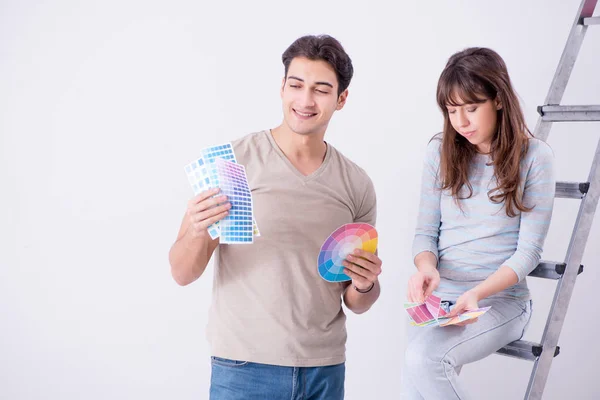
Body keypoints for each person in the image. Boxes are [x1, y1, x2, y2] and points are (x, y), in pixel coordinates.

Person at [169, 34, 383, 400]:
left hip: (324, 370)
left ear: (341, 99)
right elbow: (182, 273)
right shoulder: (232, 162)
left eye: (320, 89)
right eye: (296, 85)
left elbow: (356, 301)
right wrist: (196, 229)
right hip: (242, 368)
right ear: (282, 87)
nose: (305, 100)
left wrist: (366, 284)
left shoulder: (356, 183)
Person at [401, 47, 556, 399]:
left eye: (471, 108)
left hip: (500, 301)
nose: (461, 122)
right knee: (413, 386)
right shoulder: (439, 151)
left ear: (498, 100)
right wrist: (427, 268)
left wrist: (476, 293)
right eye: (452, 111)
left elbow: (528, 252)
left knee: (425, 360)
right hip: (439, 300)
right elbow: (425, 233)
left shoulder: (535, 158)